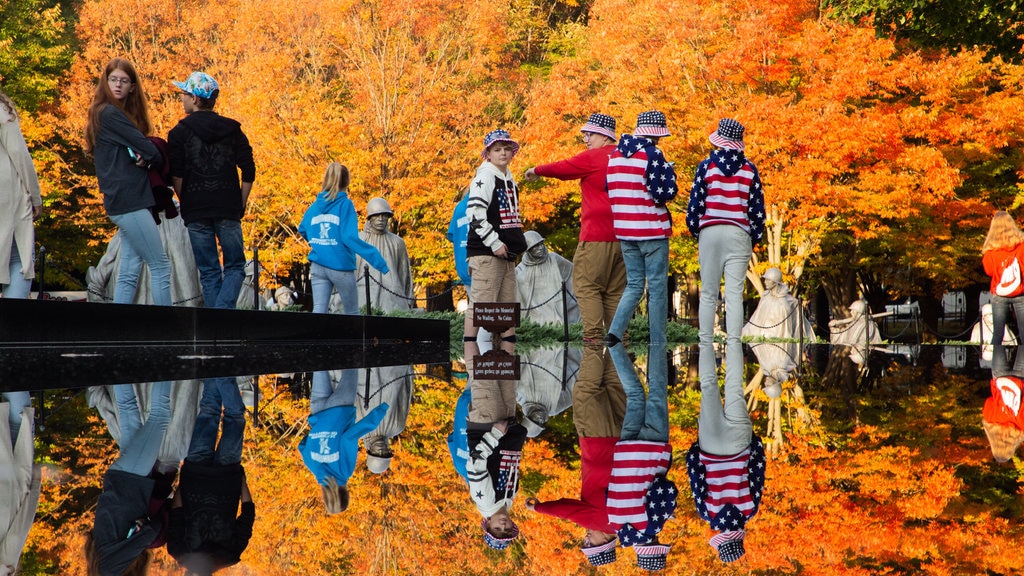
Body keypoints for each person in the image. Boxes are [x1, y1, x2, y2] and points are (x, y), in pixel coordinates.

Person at [687, 118, 766, 431]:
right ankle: (734, 340)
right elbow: (757, 210)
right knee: (734, 292)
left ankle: (705, 340)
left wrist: (698, 230)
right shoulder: (749, 170)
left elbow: (695, 204)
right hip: (738, 233)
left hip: (711, 231)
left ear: (719, 141)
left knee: (708, 291)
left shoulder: (706, 166)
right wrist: (752, 236)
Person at [524, 113, 624, 343]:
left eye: (590, 134)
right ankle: (619, 341)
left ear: (605, 135)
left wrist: (536, 170)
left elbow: (564, 168)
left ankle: (592, 339)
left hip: (596, 237)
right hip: (625, 238)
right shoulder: (625, 157)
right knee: (615, 292)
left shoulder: (595, 157)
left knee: (586, 286)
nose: (586, 139)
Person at [84, 57, 172, 306]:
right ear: (105, 82)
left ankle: (120, 328)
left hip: (123, 199)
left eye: (124, 81)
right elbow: (151, 151)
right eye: (113, 80)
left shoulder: (104, 114)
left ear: (132, 86)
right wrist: (147, 155)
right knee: (161, 265)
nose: (118, 85)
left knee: (130, 270)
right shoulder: (109, 113)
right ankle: (167, 331)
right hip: (129, 199)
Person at [168, 71, 256, 309]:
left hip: (195, 209)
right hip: (228, 206)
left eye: (184, 94)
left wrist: (184, 200)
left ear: (195, 99)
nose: (182, 98)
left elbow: (176, 174)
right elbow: (249, 169)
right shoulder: (233, 130)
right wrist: (242, 201)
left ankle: (216, 321)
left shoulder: (178, 133)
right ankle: (221, 317)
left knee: (208, 271)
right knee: (236, 266)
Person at [686, 326, 767, 563]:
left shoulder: (749, 510)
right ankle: (705, 335)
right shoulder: (707, 513)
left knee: (734, 384)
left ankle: (734, 334)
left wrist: (755, 444)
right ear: (721, 538)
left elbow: (757, 471)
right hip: (710, 449)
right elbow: (696, 477)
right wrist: (695, 451)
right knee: (708, 385)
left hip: (738, 447)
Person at [604, 111, 678, 347]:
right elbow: (663, 194)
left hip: (625, 231)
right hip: (652, 231)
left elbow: (609, 189)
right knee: (656, 287)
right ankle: (658, 339)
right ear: (654, 135)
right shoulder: (652, 154)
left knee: (634, 284)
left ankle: (614, 332)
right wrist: (669, 172)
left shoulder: (615, 155)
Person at [84, 381, 172, 576]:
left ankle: (167, 364)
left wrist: (145, 527)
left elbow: (151, 531)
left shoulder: (111, 570)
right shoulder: (100, 563)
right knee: (128, 408)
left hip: (132, 481)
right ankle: (119, 361)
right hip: (119, 481)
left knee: (160, 417)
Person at [166, 378, 254, 572]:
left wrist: (241, 482)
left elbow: (248, 514)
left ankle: (219, 367)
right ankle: (218, 367)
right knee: (215, 413)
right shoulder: (181, 552)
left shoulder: (181, 551)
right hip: (206, 473)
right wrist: (185, 477)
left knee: (228, 416)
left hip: (220, 475)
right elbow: (177, 511)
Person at [605, 342, 676, 571]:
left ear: (655, 544)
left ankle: (657, 339)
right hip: (625, 450)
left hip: (651, 449)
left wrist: (668, 510)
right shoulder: (615, 524)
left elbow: (664, 488)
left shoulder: (652, 526)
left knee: (657, 390)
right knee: (634, 394)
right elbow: (609, 491)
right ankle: (615, 347)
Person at [298, 163, 390, 314]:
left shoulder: (314, 207)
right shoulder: (345, 205)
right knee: (352, 312)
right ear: (347, 182)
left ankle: (317, 338)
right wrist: (377, 260)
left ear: (326, 179)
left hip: (317, 266)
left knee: (319, 311)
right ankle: (353, 339)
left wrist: (319, 244)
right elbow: (349, 238)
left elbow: (302, 228)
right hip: (340, 266)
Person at [463, 129, 528, 342]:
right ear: (488, 154)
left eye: (507, 149)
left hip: (507, 254)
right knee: (481, 305)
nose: (503, 153)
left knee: (506, 308)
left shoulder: (509, 179)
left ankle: (507, 353)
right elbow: (474, 214)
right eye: (497, 149)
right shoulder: (485, 178)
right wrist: (494, 242)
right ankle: (469, 348)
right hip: (486, 253)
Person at [464, 339, 528, 550]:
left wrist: (494, 434)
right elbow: (511, 457)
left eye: (498, 530)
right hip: (506, 424)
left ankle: (472, 328)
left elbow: (475, 464)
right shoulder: (509, 500)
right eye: (507, 530)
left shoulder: (485, 502)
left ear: (488, 524)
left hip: (486, 424)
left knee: (480, 370)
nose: (503, 526)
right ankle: (504, 321)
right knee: (506, 369)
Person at [298, 369, 389, 512]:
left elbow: (348, 438)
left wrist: (379, 413)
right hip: (317, 411)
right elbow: (302, 446)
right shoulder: (313, 467)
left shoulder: (344, 471)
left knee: (351, 365)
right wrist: (320, 431)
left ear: (346, 494)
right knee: (320, 362)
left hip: (339, 408)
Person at [0, 91, 42, 299]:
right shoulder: (3, 110)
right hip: (8, 193)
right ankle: (11, 325)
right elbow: (19, 153)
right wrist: (36, 197)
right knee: (20, 258)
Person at [1, 391, 42, 575]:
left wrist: (37, 483)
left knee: (19, 410)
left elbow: (18, 532)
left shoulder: (5, 567)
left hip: (12, 480)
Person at [356, 197, 414, 312]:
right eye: (377, 215)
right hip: (363, 292)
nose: (381, 219)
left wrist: (407, 298)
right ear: (369, 218)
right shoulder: (359, 239)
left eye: (384, 215)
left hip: (392, 296)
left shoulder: (397, 242)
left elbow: (404, 274)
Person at [515, 230, 580, 326]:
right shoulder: (520, 270)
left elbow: (575, 273)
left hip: (557, 312)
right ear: (528, 250)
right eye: (535, 246)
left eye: (541, 243)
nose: (540, 248)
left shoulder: (554, 259)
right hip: (534, 319)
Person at [981, 211, 1024, 346]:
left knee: (998, 333)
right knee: (1023, 331)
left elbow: (988, 271)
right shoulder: (1022, 246)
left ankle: (998, 365)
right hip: (1020, 292)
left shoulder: (991, 251)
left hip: (999, 294)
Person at [742, 267, 814, 341]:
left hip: (778, 337)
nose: (765, 282)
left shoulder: (788, 301)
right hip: (764, 334)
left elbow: (792, 325)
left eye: (768, 280)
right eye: (765, 279)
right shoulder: (765, 297)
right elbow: (757, 319)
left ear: (775, 282)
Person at [447, 186, 472, 287]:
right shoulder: (487, 204)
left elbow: (451, 236)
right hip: (484, 267)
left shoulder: (459, 207)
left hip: (463, 266)